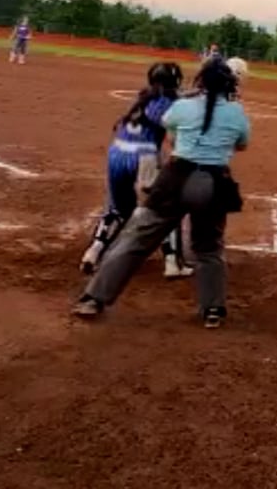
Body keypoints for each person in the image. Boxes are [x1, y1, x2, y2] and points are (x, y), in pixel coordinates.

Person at [74, 58, 250, 328]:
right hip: (213, 182)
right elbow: (241, 145)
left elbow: (171, 134)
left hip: (176, 177)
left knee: (136, 238)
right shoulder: (236, 112)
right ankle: (213, 310)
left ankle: (93, 298)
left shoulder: (183, 106)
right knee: (209, 248)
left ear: (200, 81)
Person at [78, 63, 193, 279]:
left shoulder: (144, 97)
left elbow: (176, 99)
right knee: (166, 208)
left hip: (117, 153)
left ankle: (93, 252)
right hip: (143, 156)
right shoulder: (170, 103)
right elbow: (174, 121)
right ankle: (172, 263)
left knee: (119, 209)